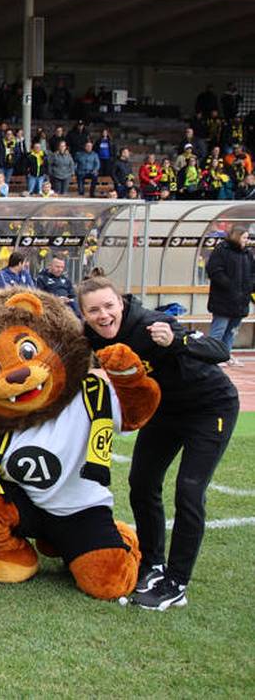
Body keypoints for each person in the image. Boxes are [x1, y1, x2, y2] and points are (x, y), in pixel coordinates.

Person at [78, 276, 237, 610]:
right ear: (85, 314)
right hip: (164, 412)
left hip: (209, 407)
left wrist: (176, 343)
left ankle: (176, 583)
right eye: (94, 310)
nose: (103, 315)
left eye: (109, 306)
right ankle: (152, 564)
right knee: (142, 483)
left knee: (189, 491)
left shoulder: (153, 324)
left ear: (120, 303)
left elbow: (220, 350)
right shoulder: (91, 335)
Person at [203, 225, 254, 356]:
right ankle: (211, 356)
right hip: (223, 300)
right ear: (236, 237)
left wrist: (249, 286)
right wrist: (230, 285)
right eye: (244, 237)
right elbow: (214, 270)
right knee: (218, 331)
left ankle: (225, 355)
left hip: (241, 301)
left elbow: (253, 273)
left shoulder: (247, 253)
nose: (246, 241)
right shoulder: (222, 250)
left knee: (232, 331)